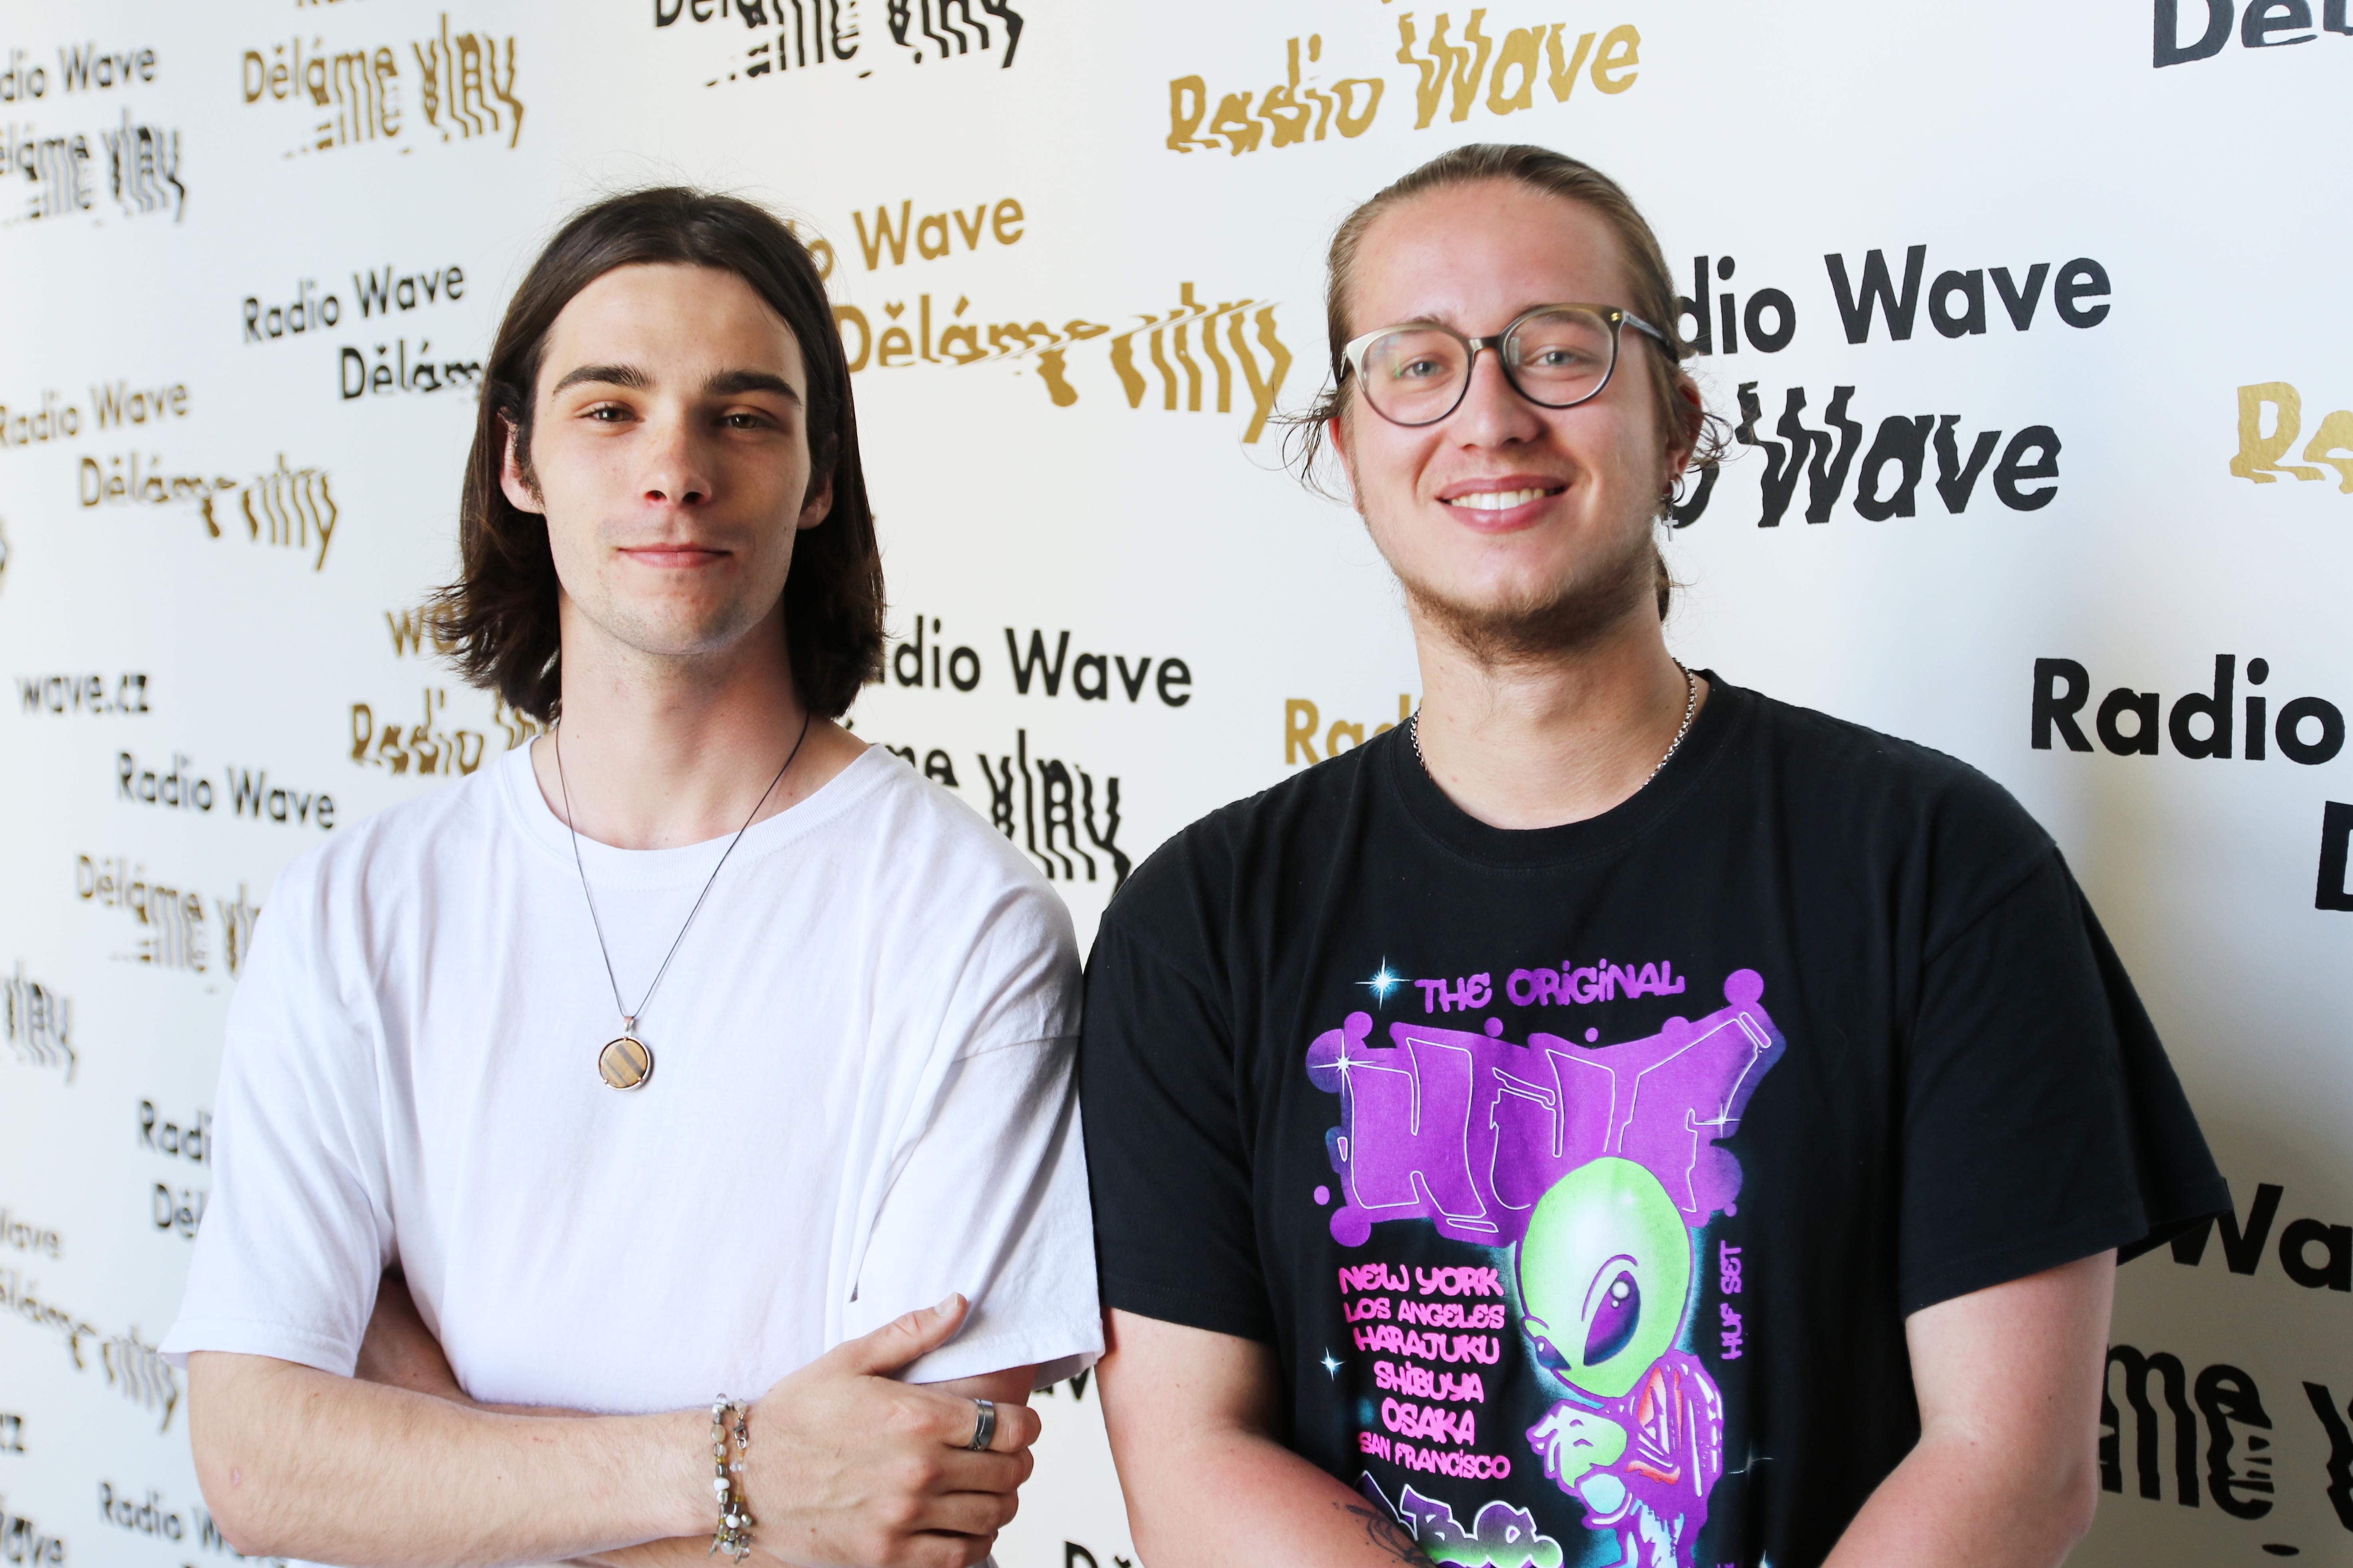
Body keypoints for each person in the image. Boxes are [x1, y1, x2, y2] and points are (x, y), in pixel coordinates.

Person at [1078, 144, 2227, 1568]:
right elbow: (1189, 1452)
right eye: (1416, 364)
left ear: (1677, 424)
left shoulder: (1939, 865)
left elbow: (2009, 1461)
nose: (1490, 415)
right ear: (1347, 449)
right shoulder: (1199, 922)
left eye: (1560, 351)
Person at [162, 187, 1098, 1568]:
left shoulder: (971, 925)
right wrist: (746, 1466)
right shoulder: (354, 910)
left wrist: (412, 1428)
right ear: (518, 461)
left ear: (819, 476)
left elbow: (897, 1537)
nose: (676, 469)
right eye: (610, 409)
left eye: (744, 416)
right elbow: (257, 1460)